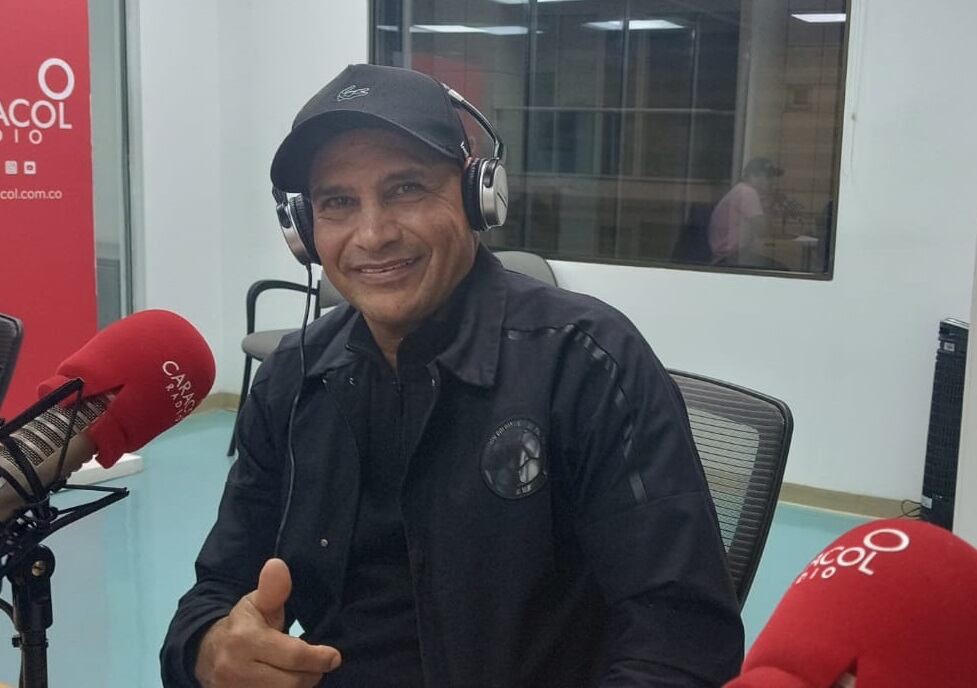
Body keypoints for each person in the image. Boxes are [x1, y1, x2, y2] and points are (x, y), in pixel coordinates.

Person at [161, 64, 743, 688]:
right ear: (304, 231)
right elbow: (217, 591)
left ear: (476, 197)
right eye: (337, 202)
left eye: (407, 188)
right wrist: (211, 649)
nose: (374, 234)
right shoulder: (291, 381)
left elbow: (680, 634)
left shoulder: (588, 360)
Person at [707, 157, 783, 267]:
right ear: (754, 176)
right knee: (781, 271)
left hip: (726, 255)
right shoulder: (748, 192)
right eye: (769, 177)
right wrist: (768, 202)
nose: (772, 182)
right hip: (729, 259)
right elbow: (763, 230)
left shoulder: (740, 190)